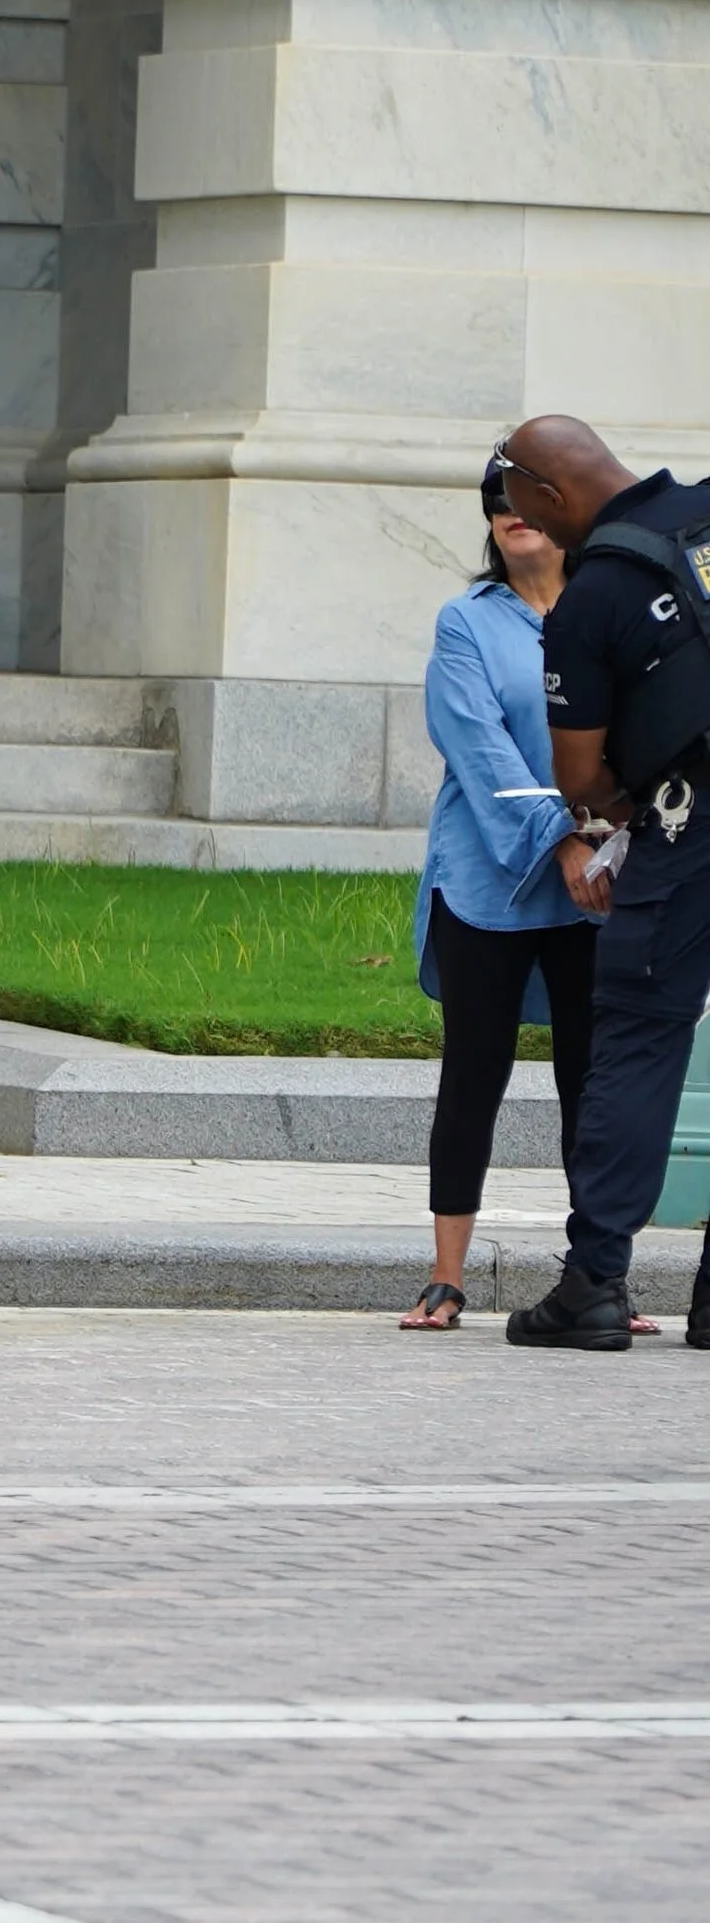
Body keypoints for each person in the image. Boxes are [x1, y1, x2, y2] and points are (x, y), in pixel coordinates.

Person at [485, 415, 710, 1352]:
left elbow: (577, 777)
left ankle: (595, 1285)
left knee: (638, 1035)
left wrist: (620, 803)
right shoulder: (704, 517)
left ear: (546, 493)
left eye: (514, 501)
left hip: (687, 819)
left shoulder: (592, 599)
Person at [398, 491, 598, 1331]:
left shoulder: (607, 611)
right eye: (499, 501)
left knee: (593, 1082)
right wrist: (561, 839)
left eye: (532, 498)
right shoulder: (464, 622)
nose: (514, 513)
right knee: (474, 1072)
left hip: (599, 884)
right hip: (486, 882)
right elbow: (479, 748)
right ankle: (446, 1278)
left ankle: (598, 1274)